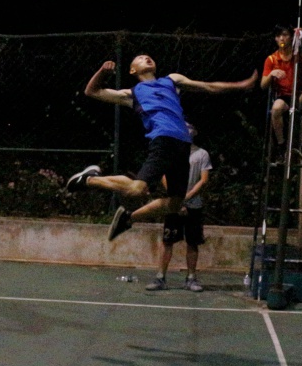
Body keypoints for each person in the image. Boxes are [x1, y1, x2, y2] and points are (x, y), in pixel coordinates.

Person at [65, 55, 256, 241]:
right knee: (137, 189)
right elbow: (92, 91)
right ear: (132, 70)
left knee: (175, 204)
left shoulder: (172, 80)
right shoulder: (133, 94)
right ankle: (88, 180)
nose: (146, 59)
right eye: (140, 59)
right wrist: (102, 72)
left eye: (149, 57)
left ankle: (128, 219)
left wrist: (240, 85)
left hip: (183, 145)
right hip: (163, 140)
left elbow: (208, 86)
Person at [147, 122, 212, 292]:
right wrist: (177, 198)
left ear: (195, 132)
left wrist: (186, 198)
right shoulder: (172, 152)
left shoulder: (202, 154)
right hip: (173, 205)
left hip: (194, 206)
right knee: (167, 241)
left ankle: (191, 279)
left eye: (190, 127)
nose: (187, 130)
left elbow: (204, 180)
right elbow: (164, 176)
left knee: (193, 242)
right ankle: (160, 278)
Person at [261, 25, 302, 158]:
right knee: (276, 108)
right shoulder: (272, 59)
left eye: (284, 35)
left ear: (291, 37)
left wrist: (300, 99)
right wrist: (271, 74)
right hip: (284, 96)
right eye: (278, 36)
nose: (281, 38)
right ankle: (281, 145)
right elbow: (263, 85)